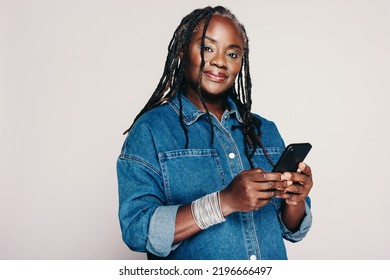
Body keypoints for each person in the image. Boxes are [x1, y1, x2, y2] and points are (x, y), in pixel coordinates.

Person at [117, 6, 313, 260]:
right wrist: (224, 202)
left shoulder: (264, 131)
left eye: (232, 53)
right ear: (181, 51)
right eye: (207, 48)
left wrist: (295, 199)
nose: (220, 61)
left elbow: (291, 229)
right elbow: (136, 230)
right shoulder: (151, 131)